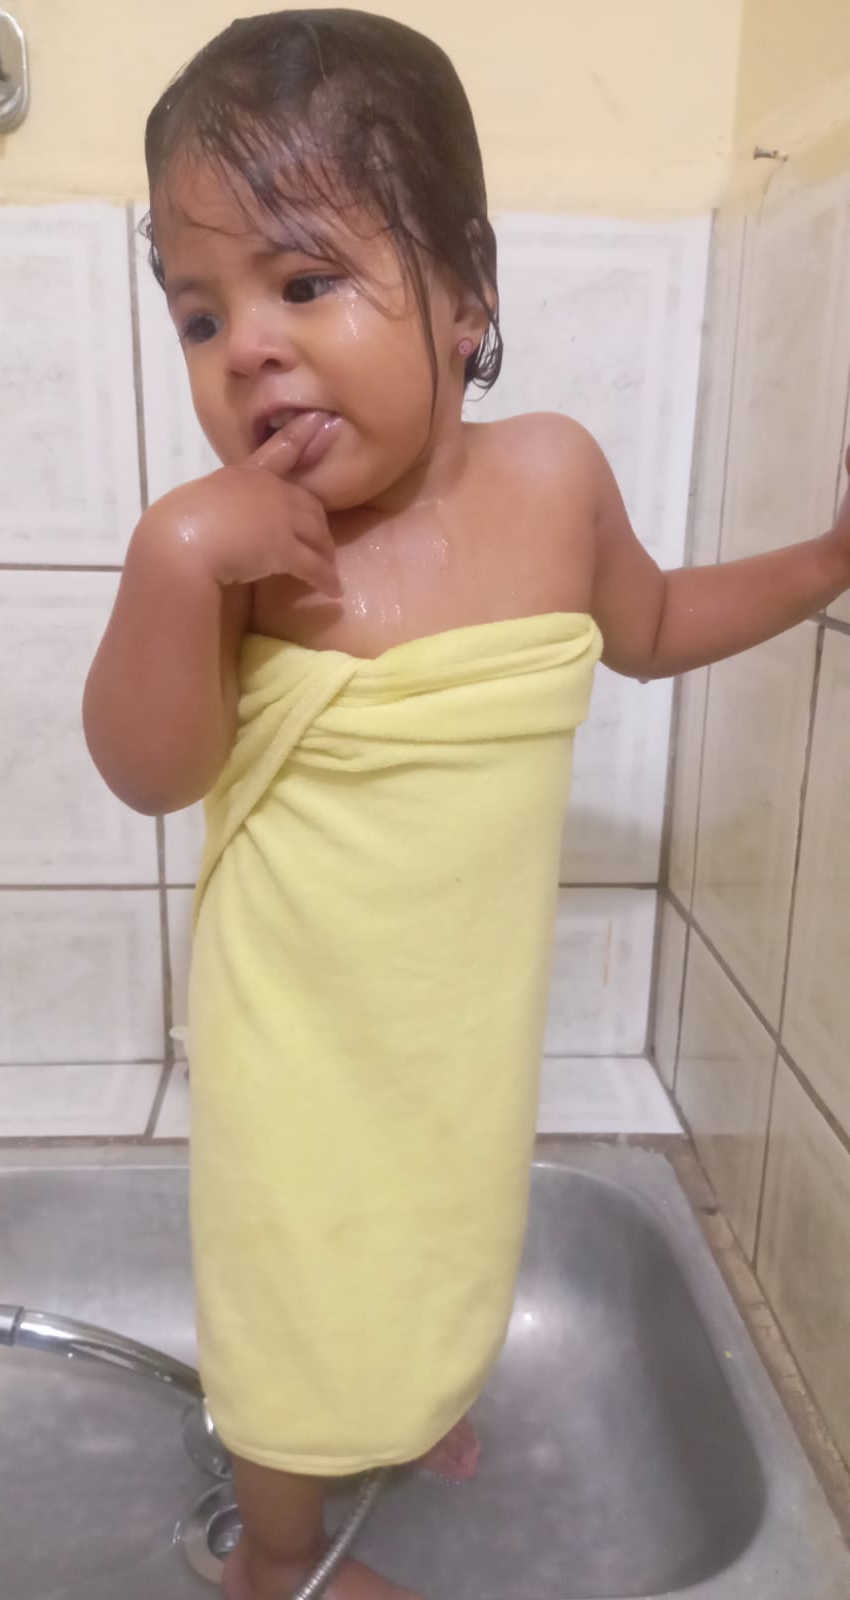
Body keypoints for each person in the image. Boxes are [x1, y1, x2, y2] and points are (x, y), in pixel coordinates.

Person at [82, 12, 850, 1599]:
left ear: (465, 294)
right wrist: (169, 565)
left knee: (442, 1230)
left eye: (305, 283)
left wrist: (826, 561)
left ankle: (406, 1389)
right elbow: (150, 772)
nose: (247, 348)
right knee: (297, 1287)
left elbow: (652, 626)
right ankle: (278, 1554)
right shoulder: (245, 556)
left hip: (459, 1033)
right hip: (297, 1049)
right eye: (200, 314)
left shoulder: (555, 481)